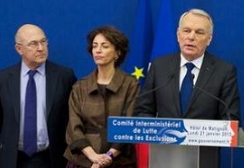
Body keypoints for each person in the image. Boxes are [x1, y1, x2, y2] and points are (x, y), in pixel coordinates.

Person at [133, 9, 240, 168]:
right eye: (186, 30)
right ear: (178, 34)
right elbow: (143, 110)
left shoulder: (224, 71)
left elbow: (231, 119)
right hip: (163, 155)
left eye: (199, 32)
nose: (191, 37)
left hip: (204, 158)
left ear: (209, 39)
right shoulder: (159, 66)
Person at [0, 24, 77, 168]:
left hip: (51, 158)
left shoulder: (64, 76)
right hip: (13, 159)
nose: (41, 48)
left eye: (43, 42)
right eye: (33, 44)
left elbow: (73, 118)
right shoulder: (3, 79)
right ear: (19, 49)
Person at [64, 26, 139, 168]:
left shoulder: (130, 85)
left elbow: (129, 126)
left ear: (117, 52)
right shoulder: (80, 86)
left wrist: (108, 157)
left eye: (104, 46)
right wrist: (93, 158)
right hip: (82, 160)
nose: (98, 50)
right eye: (95, 46)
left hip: (120, 161)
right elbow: (74, 128)